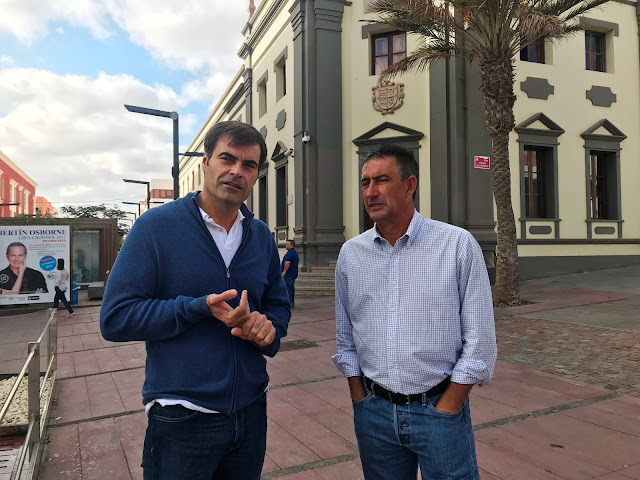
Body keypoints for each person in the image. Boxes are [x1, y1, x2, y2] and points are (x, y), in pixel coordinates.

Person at [100, 121, 291, 480]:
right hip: (181, 416)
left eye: (249, 165)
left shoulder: (261, 236)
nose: (237, 171)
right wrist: (196, 307)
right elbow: (115, 317)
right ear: (205, 162)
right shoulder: (156, 227)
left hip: (250, 411)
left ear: (256, 175)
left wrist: (268, 329)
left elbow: (278, 304)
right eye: (227, 158)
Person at [332, 144, 497, 480]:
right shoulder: (351, 254)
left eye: (382, 180)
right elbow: (346, 338)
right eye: (365, 183)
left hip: (438, 411)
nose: (371, 192)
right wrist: (360, 398)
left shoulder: (456, 245)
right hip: (374, 413)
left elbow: (480, 342)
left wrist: (448, 405)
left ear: (409, 186)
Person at [281, 239, 299, 307]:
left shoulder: (290, 253)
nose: (286, 245)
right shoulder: (293, 253)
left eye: (287, 244)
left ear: (292, 245)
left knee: (288, 288)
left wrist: (284, 271)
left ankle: (289, 303)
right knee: (290, 288)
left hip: (289, 274)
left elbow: (287, 262)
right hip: (292, 274)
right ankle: (291, 302)